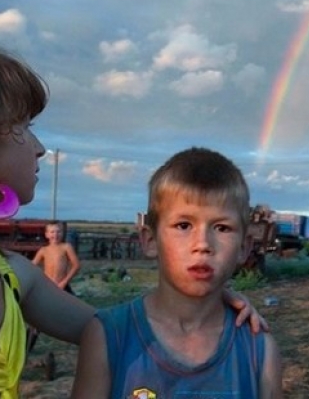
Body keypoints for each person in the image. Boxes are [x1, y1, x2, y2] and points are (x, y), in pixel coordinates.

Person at [0, 42, 265, 398]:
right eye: (23, 127)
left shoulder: (10, 274)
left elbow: (115, 333)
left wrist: (199, 302)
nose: (40, 147)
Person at [71, 147, 283, 399]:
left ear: (244, 248)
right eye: (183, 225)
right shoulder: (108, 337)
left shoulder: (259, 350)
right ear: (150, 240)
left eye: (222, 228)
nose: (202, 243)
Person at [32, 221, 81, 295]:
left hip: (62, 285)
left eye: (58, 232)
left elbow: (76, 265)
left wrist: (64, 282)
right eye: (52, 232)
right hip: (47, 286)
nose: (55, 235)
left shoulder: (66, 247)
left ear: (62, 233)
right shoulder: (43, 250)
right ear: (46, 234)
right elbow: (32, 265)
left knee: (71, 305)